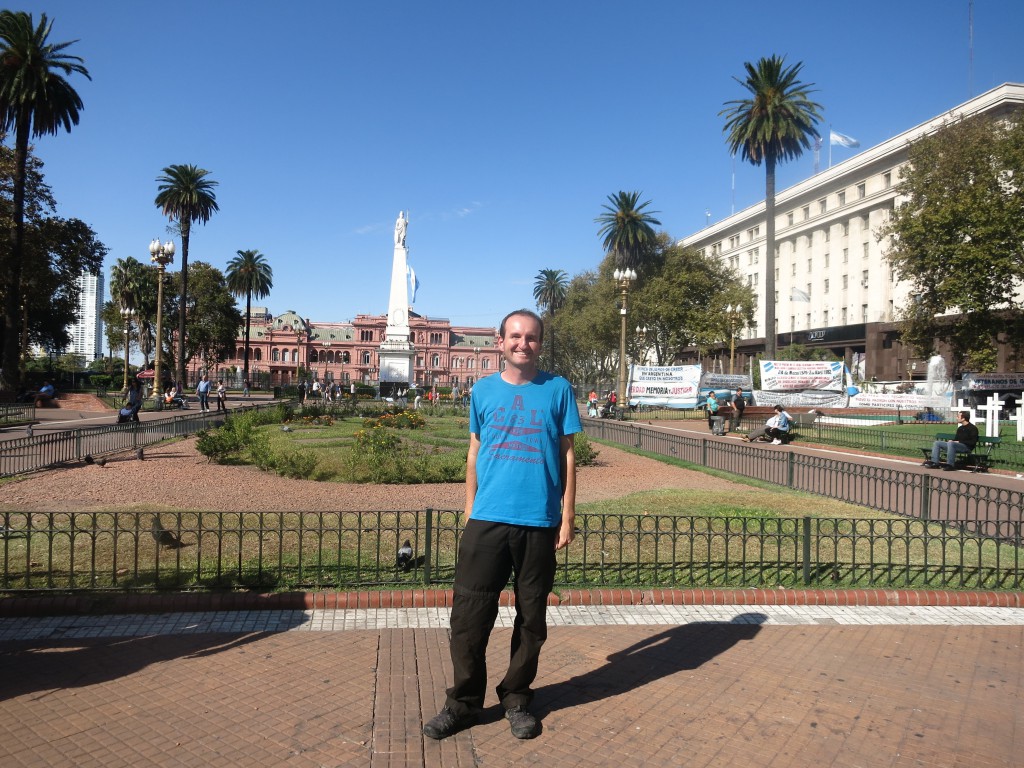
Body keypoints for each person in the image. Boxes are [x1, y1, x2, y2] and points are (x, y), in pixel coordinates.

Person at [423, 309, 580, 742]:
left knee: (532, 618)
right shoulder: (483, 391)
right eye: (515, 336)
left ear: (540, 344)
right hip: (487, 520)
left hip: (539, 521)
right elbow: (474, 451)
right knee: (469, 616)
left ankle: (516, 697)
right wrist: (470, 508)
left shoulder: (558, 390)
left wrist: (567, 515)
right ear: (499, 341)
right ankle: (464, 703)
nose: (522, 344)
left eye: (530, 338)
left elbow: (567, 454)